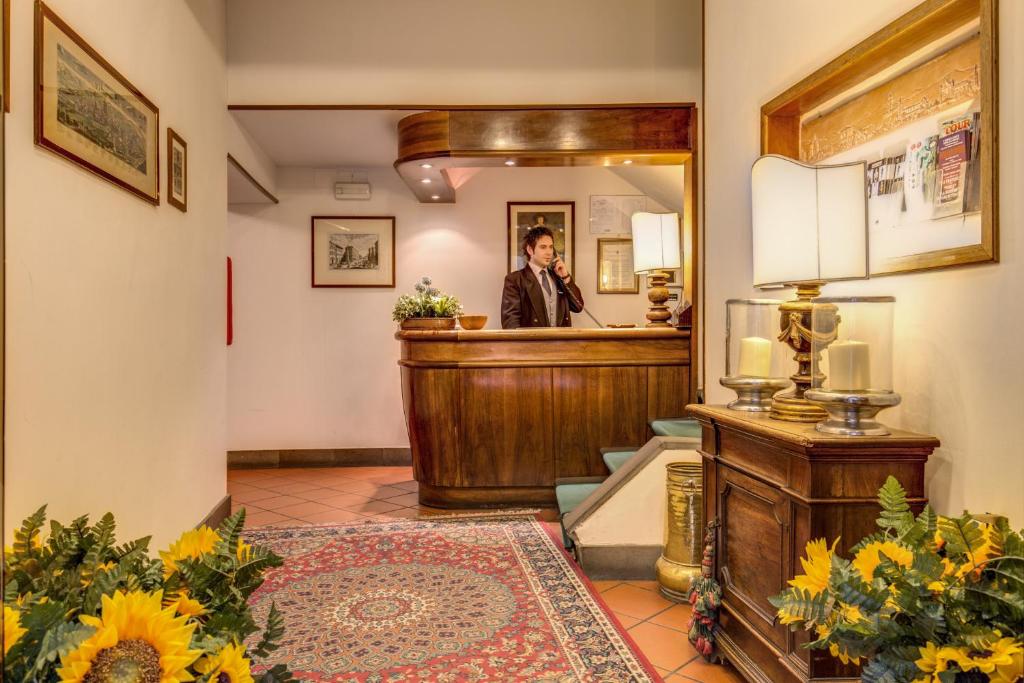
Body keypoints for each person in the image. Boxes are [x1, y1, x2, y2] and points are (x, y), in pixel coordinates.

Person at [501, 226, 584, 328]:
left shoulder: (558, 277)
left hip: (562, 342)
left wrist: (566, 277)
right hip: (532, 342)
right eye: (543, 247)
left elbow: (578, 307)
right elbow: (510, 322)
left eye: (551, 247)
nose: (549, 252)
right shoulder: (515, 279)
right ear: (530, 250)